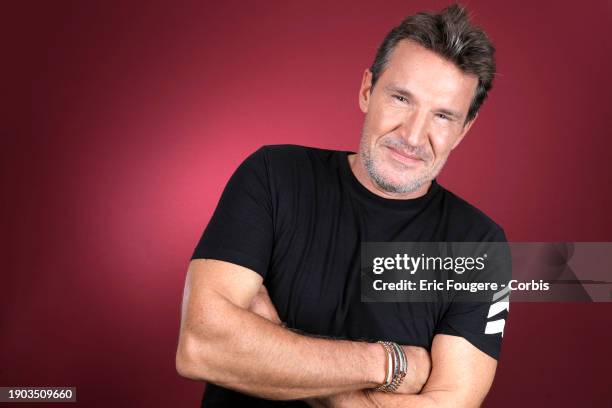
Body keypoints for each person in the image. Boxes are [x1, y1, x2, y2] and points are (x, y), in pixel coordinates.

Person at [176, 4, 510, 407]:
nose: (413, 135)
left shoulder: (479, 246)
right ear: (368, 90)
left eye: (442, 116)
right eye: (401, 98)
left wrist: (276, 347)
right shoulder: (273, 176)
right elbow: (201, 346)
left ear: (463, 130)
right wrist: (391, 364)